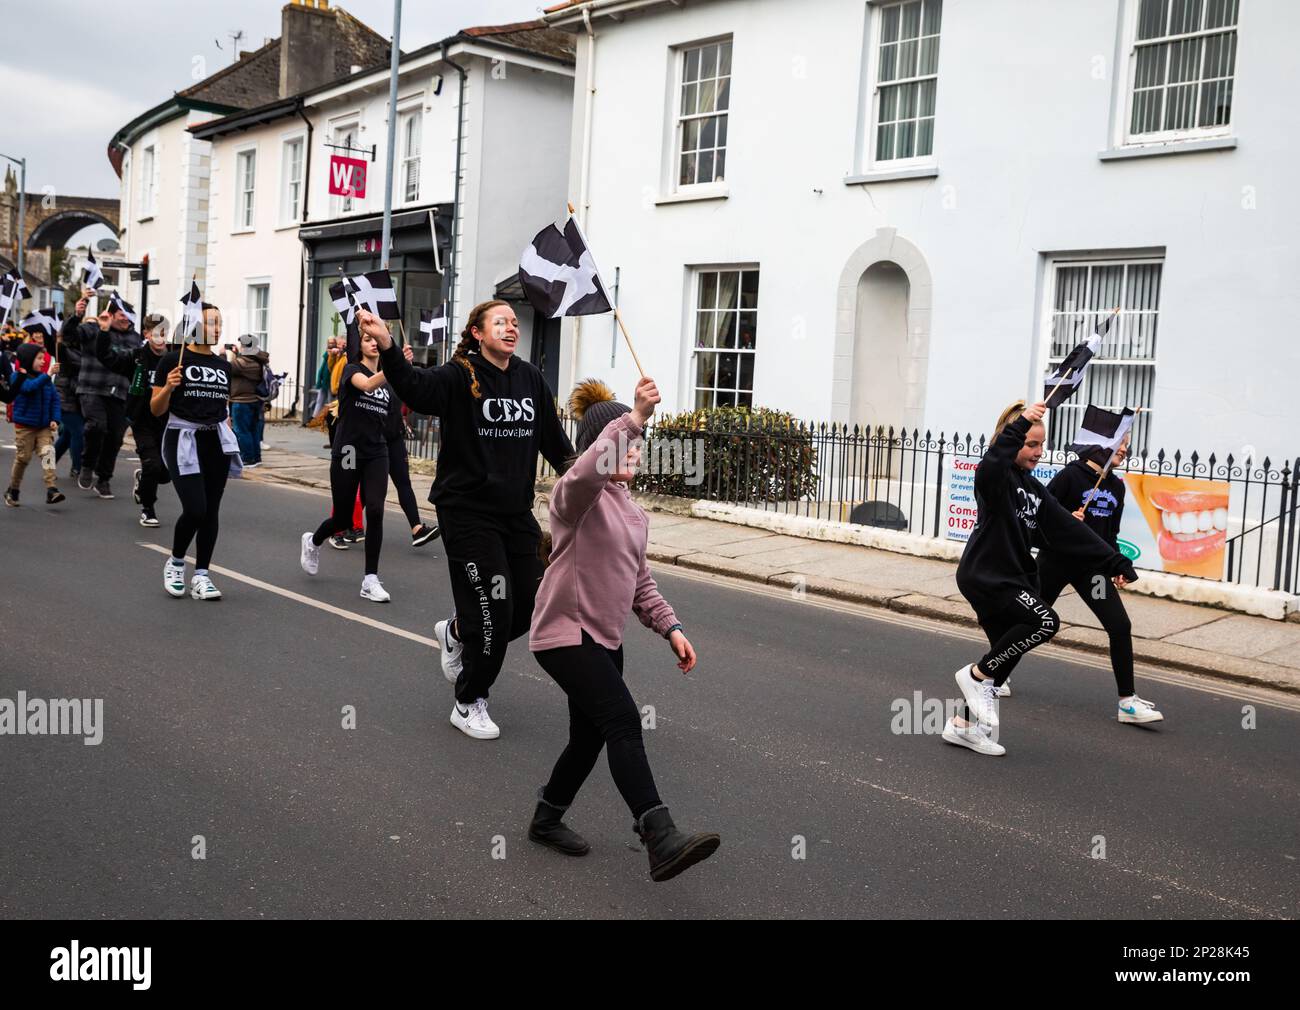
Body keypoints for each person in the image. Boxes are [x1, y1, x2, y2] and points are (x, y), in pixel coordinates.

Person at [526, 376, 718, 881]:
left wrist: (670, 627)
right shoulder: (576, 497)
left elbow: (640, 584)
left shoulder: (633, 514)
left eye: (639, 446)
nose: (636, 452)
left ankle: (546, 818)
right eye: (627, 446)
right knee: (624, 722)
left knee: (588, 738)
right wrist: (633, 420)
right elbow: (587, 471)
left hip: (604, 638)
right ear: (603, 447)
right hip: (564, 634)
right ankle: (660, 836)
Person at [360, 300, 573, 739]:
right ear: (478, 332)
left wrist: (594, 483)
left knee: (532, 604)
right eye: (501, 322)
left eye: (515, 323)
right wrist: (386, 343)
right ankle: (469, 699)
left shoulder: (530, 378)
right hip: (468, 515)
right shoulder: (460, 375)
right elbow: (416, 388)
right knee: (494, 613)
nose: (512, 328)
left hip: (515, 516)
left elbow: (556, 444)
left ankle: (456, 631)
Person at [943, 399, 1139, 757]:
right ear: (1012, 441)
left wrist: (1115, 562)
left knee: (1006, 652)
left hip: (1013, 578)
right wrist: (1021, 424)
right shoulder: (995, 478)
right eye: (1030, 444)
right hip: (987, 575)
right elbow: (993, 461)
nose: (1038, 451)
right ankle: (973, 675)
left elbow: (1064, 529)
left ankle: (964, 726)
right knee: (1044, 621)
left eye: (1042, 444)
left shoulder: (1034, 491)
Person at [1036, 437, 1163, 724]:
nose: (1124, 449)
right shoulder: (1070, 475)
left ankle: (1127, 703)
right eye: (1119, 442)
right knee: (1030, 623)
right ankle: (992, 676)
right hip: (1055, 562)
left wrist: (1114, 564)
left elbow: (1110, 535)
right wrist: (1066, 518)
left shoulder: (1116, 486)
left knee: (1119, 625)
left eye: (1127, 445)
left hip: (1091, 570)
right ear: (1098, 446)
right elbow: (1039, 514)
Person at [299, 328, 399, 603]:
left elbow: (391, 417)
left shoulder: (388, 383)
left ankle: (370, 579)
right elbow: (367, 386)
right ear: (359, 345)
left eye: (377, 339)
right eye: (368, 339)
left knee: (376, 510)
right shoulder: (352, 370)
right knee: (343, 517)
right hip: (349, 450)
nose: (374, 343)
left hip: (377, 452)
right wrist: (397, 366)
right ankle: (314, 541)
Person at [150, 305, 240, 601]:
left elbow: (223, 404)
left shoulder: (223, 364)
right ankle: (176, 562)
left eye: (220, 323)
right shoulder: (171, 361)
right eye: (213, 323)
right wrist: (168, 388)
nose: (218, 329)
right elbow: (156, 409)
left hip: (215, 441)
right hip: (182, 439)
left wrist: (226, 420)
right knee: (195, 509)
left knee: (211, 511)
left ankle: (202, 575)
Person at [60, 289, 141, 498]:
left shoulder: (134, 338)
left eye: (128, 316)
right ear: (111, 314)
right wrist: (77, 315)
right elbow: (68, 336)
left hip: (120, 393)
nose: (125, 319)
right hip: (92, 388)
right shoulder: (94, 328)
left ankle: (104, 479)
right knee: (96, 426)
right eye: (121, 314)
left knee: (115, 437)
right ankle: (86, 465)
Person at [95, 312, 171, 527]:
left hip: (167, 421)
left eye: (164, 333)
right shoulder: (136, 357)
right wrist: (103, 331)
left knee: (166, 474)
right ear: (146, 334)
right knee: (153, 466)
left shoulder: (174, 358)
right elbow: (107, 357)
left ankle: (143, 480)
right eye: (156, 334)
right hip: (142, 420)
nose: (160, 339)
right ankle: (148, 509)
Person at [4, 343, 64, 507]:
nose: (43, 362)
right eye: (39, 358)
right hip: (25, 427)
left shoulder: (45, 379)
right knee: (23, 459)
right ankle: (13, 489)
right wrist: (48, 375)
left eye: (43, 358)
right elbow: (28, 388)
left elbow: (55, 400)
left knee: (48, 453)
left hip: (43, 427)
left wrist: (55, 419)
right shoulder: (18, 377)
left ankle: (51, 489)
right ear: (28, 359)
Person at [227, 334, 269, 467]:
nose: (239, 347)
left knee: (242, 430)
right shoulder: (258, 361)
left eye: (241, 345)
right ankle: (256, 458)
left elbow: (228, 367)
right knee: (253, 430)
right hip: (255, 401)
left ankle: (248, 458)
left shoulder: (243, 363)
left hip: (242, 401)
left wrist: (231, 355)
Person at [52, 332, 84, 482]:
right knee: (78, 432)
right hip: (66, 401)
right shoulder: (66, 352)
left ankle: (48, 465)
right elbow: (70, 379)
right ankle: (78, 468)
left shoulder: (84, 351)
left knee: (66, 436)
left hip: (77, 402)